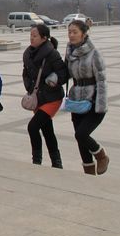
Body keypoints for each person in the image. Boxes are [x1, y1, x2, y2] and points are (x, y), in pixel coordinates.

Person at [65, 19, 110, 175]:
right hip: (77, 101)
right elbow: (65, 74)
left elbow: (102, 80)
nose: (71, 35)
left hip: (93, 101)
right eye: (69, 32)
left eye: (75, 32)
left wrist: (101, 105)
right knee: (80, 139)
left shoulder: (94, 53)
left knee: (81, 134)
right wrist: (53, 78)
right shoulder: (69, 53)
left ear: (83, 34)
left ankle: (101, 155)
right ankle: (89, 173)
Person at [22, 24, 68, 168]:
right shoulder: (28, 53)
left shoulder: (52, 54)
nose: (31, 38)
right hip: (38, 98)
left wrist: (53, 80)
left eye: (35, 36)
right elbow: (25, 73)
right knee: (47, 130)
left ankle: (36, 160)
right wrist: (29, 87)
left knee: (33, 127)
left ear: (44, 38)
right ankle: (56, 162)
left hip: (52, 97)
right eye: (31, 35)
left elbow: (63, 74)